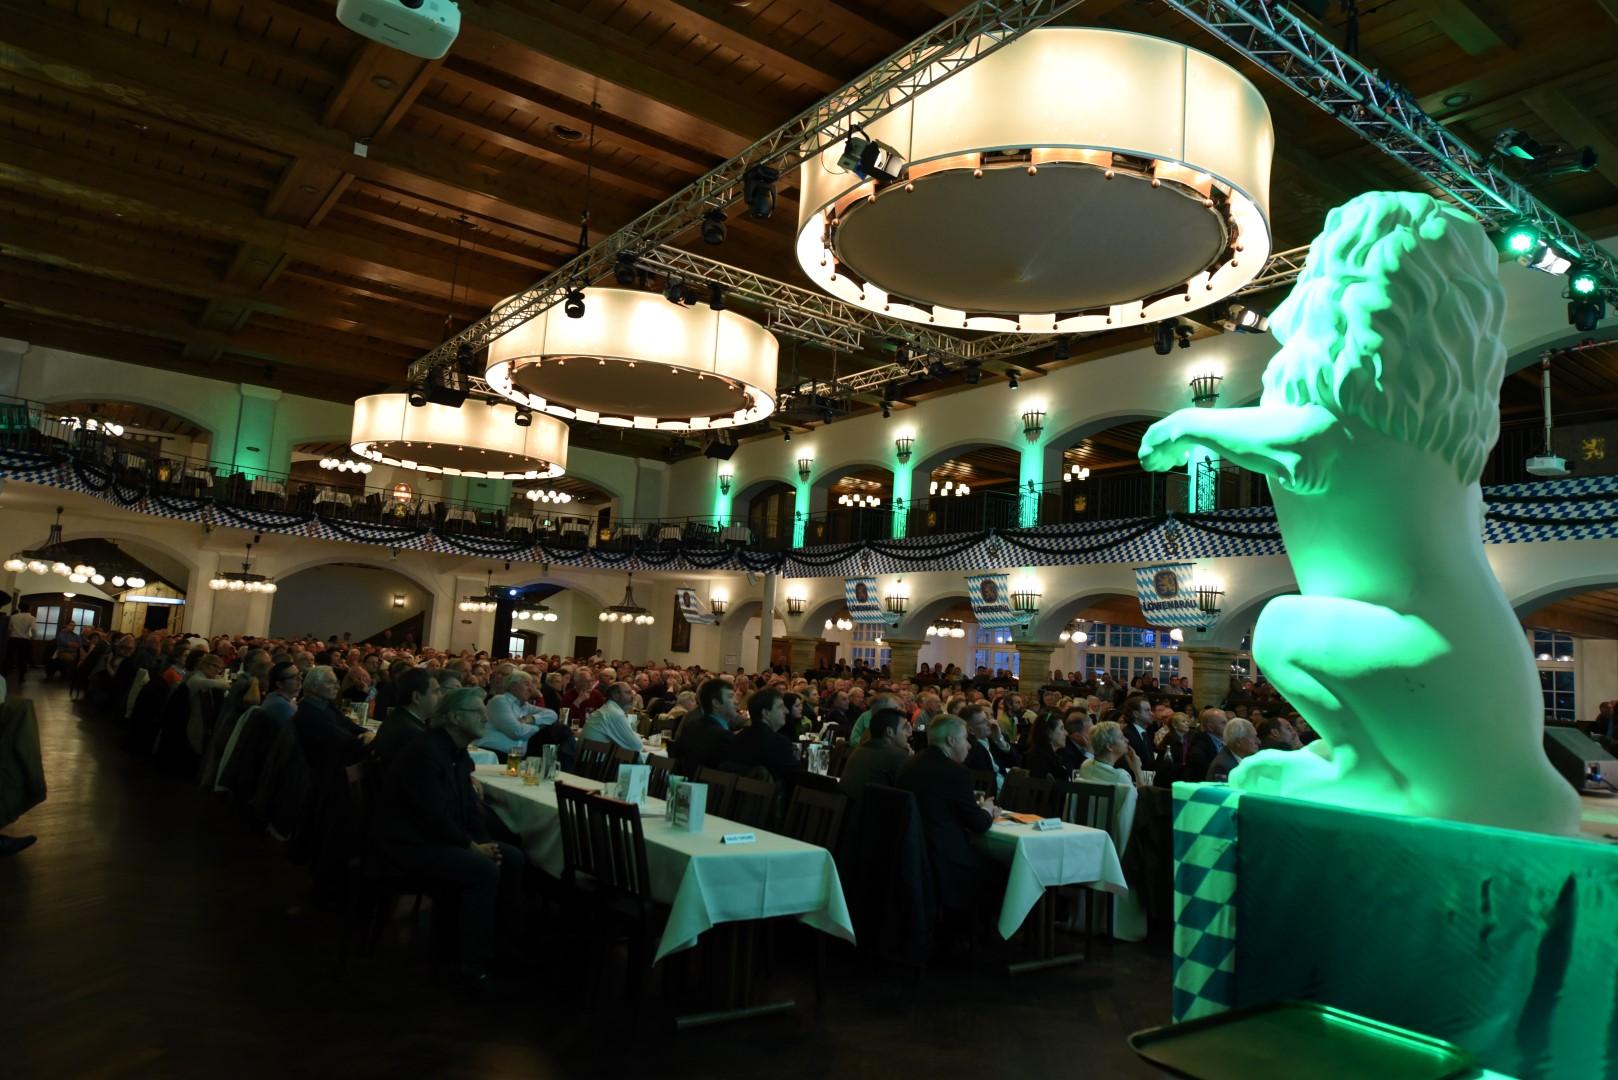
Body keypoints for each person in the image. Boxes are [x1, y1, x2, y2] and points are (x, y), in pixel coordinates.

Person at [373, 687, 522, 989]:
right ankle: (470, 966)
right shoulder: (425, 752)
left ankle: (502, 947)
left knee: (512, 857)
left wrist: (485, 844)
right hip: (410, 844)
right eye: (478, 712)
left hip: (438, 837)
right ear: (454, 717)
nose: (485, 718)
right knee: (482, 870)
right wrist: (472, 847)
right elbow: (431, 814)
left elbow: (469, 809)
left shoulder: (457, 752)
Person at [896, 716, 1005, 916]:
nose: (969, 746)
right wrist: (987, 810)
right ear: (951, 741)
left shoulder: (909, 764)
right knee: (1005, 868)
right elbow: (978, 825)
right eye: (965, 739)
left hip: (913, 852)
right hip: (946, 858)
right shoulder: (957, 773)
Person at [292, 665, 371, 772]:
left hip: (339, 760)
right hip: (327, 770)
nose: (337, 686)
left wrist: (366, 732)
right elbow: (343, 741)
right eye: (330, 683)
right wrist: (367, 739)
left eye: (337, 682)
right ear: (314, 687)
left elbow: (347, 723)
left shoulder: (325, 704)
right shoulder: (310, 713)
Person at [370, 667, 442, 777]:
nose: (441, 696)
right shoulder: (410, 732)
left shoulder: (399, 718)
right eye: (436, 692)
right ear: (416, 697)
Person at [841, 706, 911, 803]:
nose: (909, 733)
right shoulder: (897, 755)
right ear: (889, 732)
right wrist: (910, 758)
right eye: (904, 728)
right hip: (869, 810)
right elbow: (909, 791)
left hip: (845, 809)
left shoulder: (859, 749)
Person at [729, 686, 799, 779]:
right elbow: (794, 778)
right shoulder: (779, 743)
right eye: (780, 707)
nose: (786, 711)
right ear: (766, 713)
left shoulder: (737, 739)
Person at [670, 678, 737, 775]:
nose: (736, 701)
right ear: (716, 703)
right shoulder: (723, 737)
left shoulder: (690, 726)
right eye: (730, 697)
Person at [476, 672, 549, 757]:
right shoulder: (500, 701)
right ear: (513, 686)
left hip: (515, 756)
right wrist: (539, 726)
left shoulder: (526, 706)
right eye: (526, 684)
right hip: (492, 753)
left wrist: (533, 719)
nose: (531, 689)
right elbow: (517, 732)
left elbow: (552, 714)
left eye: (531, 685)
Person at [960, 702, 1020, 792]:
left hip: (1006, 788)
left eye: (988, 718)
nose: (989, 723)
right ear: (970, 730)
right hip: (992, 793)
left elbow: (1016, 762)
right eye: (983, 722)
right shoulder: (970, 748)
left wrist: (999, 740)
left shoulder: (994, 738)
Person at [580, 681, 644, 755]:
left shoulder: (609, 709)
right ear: (615, 696)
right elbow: (636, 746)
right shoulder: (614, 713)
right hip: (595, 761)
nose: (633, 696)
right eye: (628, 693)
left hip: (588, 759)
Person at [1079, 721, 1143, 787]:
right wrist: (1137, 771)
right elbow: (1142, 793)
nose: (1127, 740)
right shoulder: (1120, 776)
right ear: (1109, 747)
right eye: (1121, 737)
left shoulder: (1085, 765)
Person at [1183, 707, 1228, 783]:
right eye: (1223, 723)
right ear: (1210, 727)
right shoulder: (1199, 746)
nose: (1227, 725)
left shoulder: (1226, 741)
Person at [1208, 717, 1260, 782]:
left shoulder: (1251, 759)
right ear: (1239, 742)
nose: (1258, 741)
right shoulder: (1222, 767)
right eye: (1253, 737)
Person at [1024, 710, 1070, 780]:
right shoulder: (1039, 759)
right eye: (1061, 728)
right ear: (1049, 732)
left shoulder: (1057, 755)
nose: (1066, 733)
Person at [261, 662, 301, 728]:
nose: (300, 679)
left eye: (299, 674)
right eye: (293, 677)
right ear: (279, 684)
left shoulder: (276, 698)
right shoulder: (279, 705)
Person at [7, 604, 36, 686]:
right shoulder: (31, 618)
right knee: (23, 659)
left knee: (8, 657)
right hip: (24, 640)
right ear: (29, 608)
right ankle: (21, 677)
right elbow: (34, 629)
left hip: (13, 639)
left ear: (19, 608)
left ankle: (4, 674)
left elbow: (9, 628)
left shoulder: (13, 617)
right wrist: (33, 637)